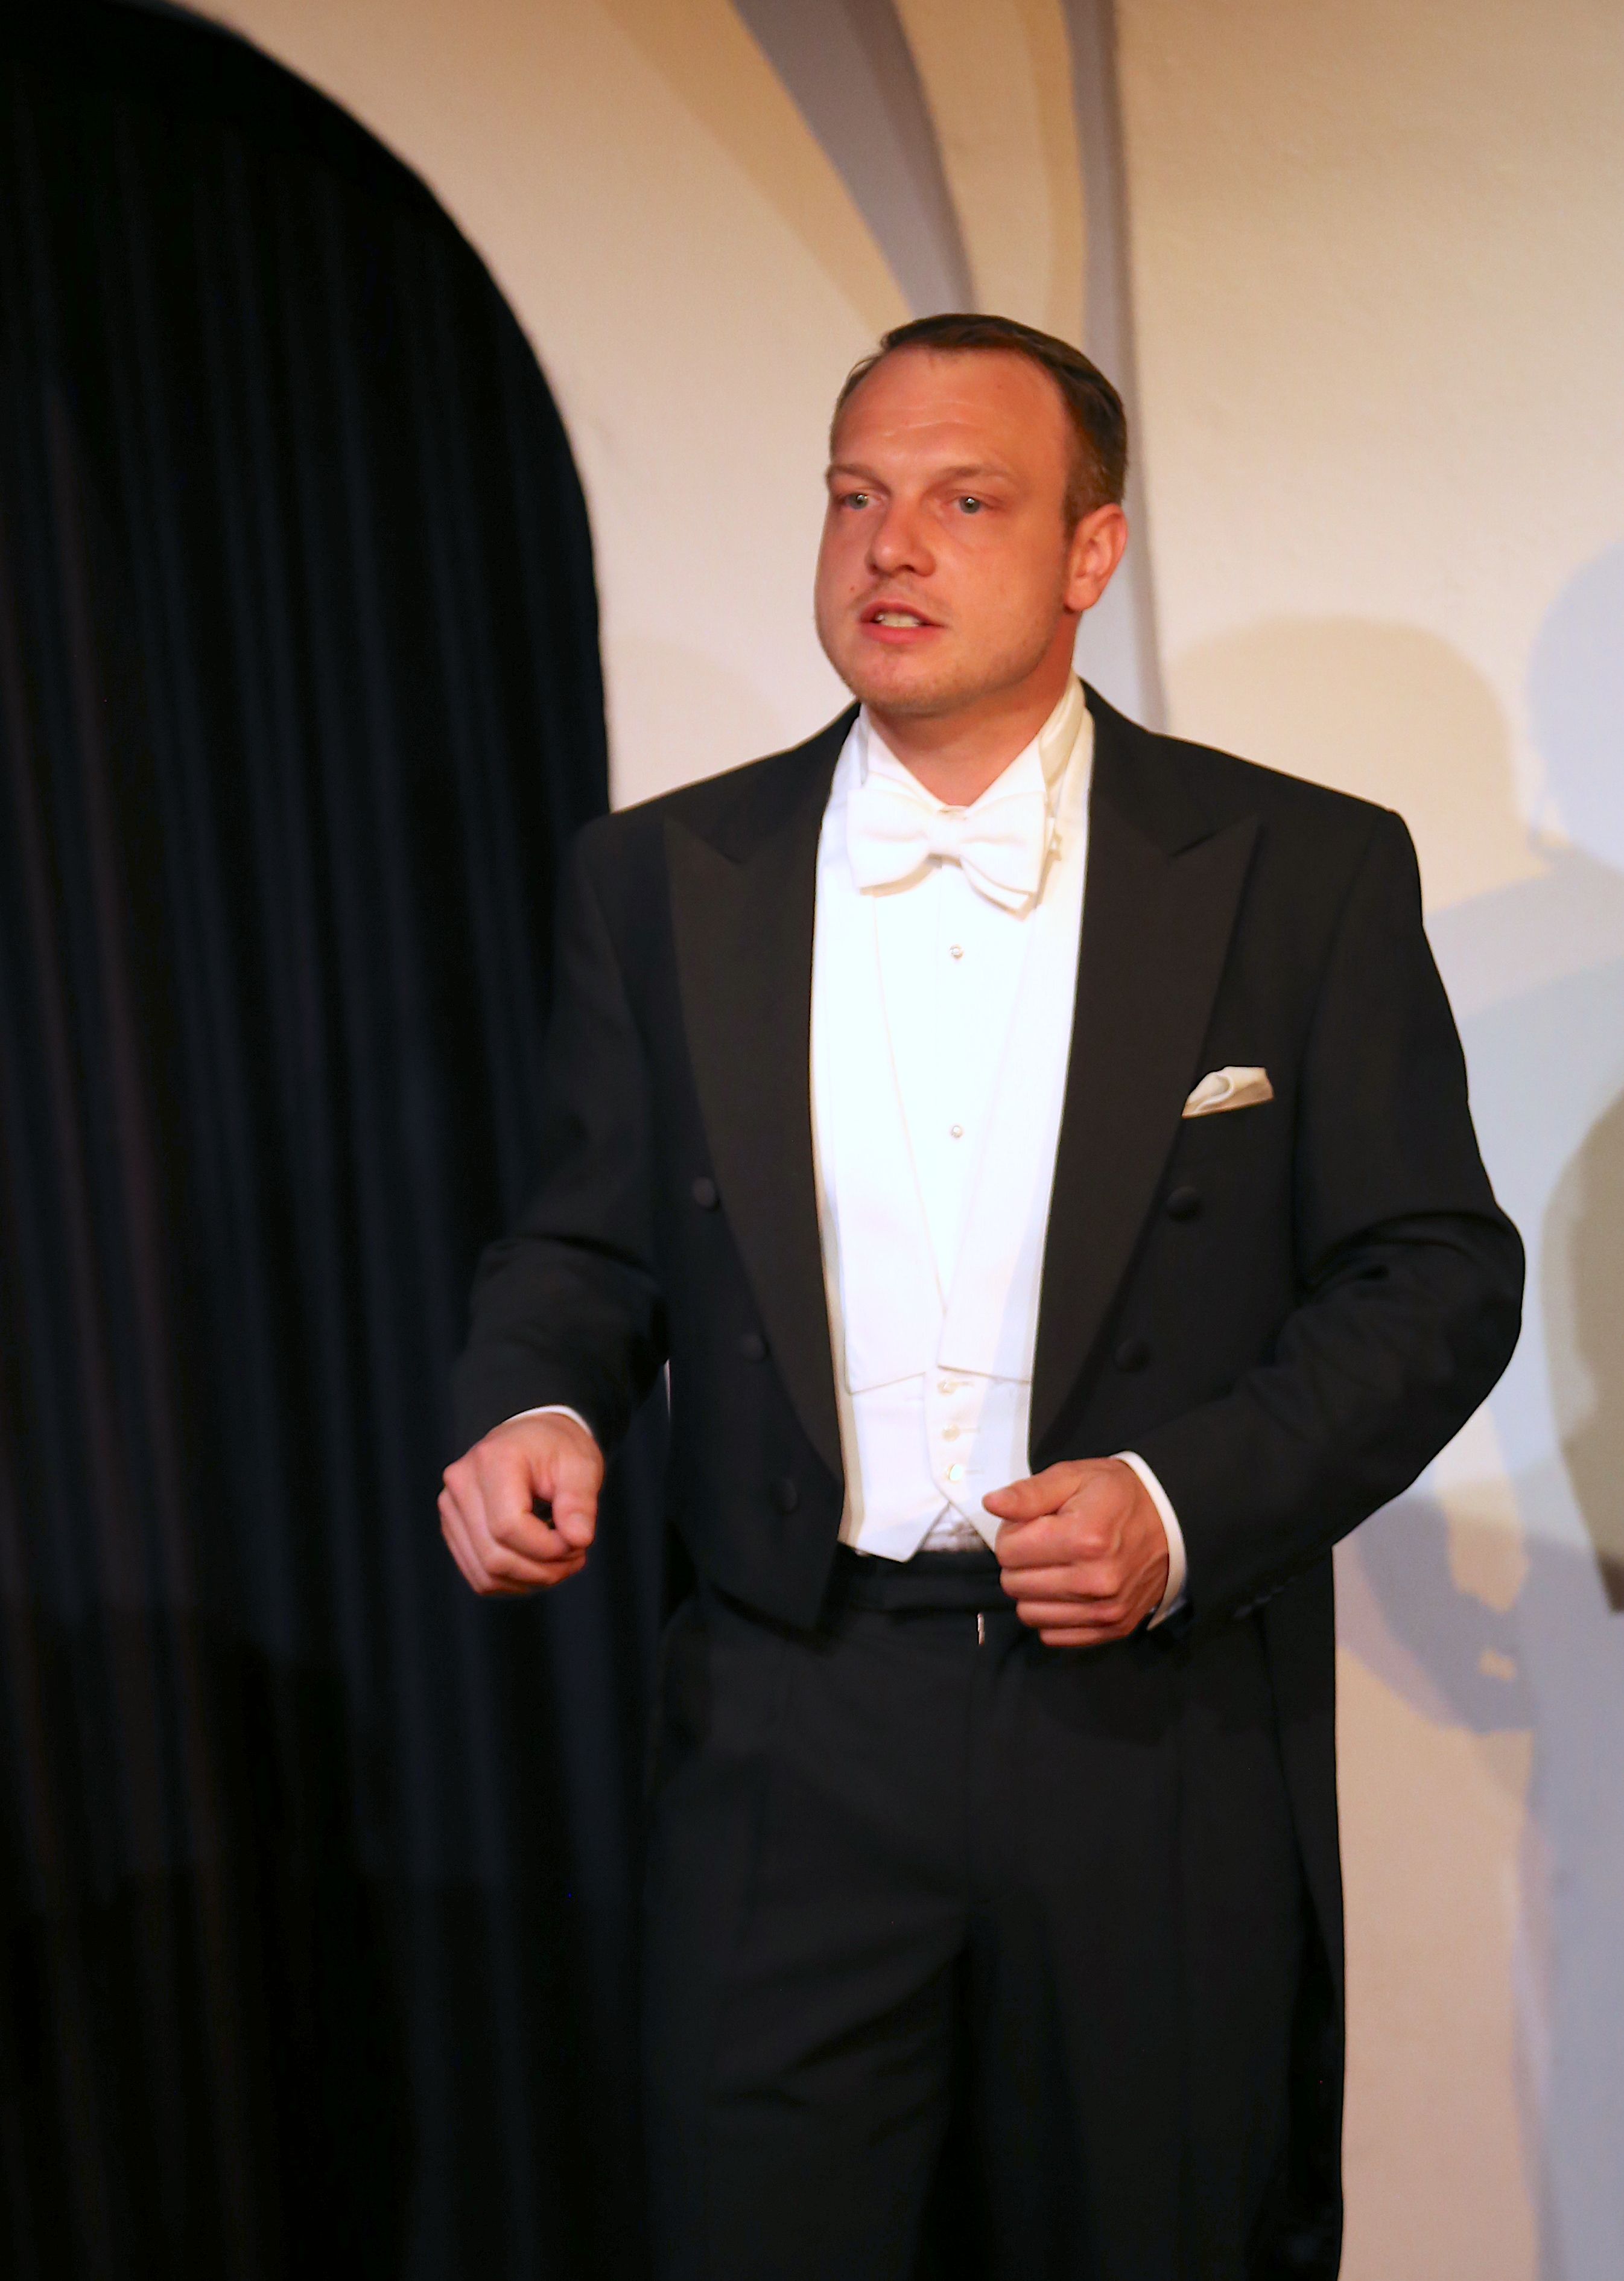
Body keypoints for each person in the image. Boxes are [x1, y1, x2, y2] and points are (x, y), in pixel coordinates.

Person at [439, 313, 1523, 2281]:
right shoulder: (659, 877)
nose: (891, 546)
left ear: (1090, 550)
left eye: (963, 500)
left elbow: (1433, 1271)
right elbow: (583, 1246)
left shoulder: (1296, 869)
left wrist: (1182, 1501)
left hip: (1146, 1734)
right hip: (785, 1716)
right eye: (855, 495)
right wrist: (537, 1400)